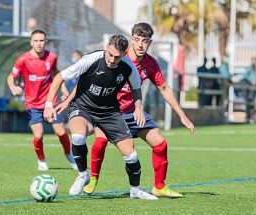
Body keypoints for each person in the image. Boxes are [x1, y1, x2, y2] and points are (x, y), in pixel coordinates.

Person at [81, 22, 195, 197]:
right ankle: (93, 178)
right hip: (110, 112)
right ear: (131, 40)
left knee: (160, 144)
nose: (141, 44)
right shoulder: (119, 57)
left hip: (134, 111)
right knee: (101, 141)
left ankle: (159, 186)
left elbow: (164, 88)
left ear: (150, 42)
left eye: (145, 41)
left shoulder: (151, 63)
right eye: (137, 40)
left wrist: (182, 115)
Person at [44, 34, 158, 200]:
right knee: (77, 136)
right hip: (83, 108)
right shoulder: (91, 60)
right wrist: (49, 105)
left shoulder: (128, 67)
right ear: (106, 47)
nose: (112, 59)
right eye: (109, 54)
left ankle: (135, 190)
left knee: (131, 155)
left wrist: (138, 107)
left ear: (124, 54)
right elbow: (59, 77)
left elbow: (136, 89)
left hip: (110, 112)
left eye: (117, 57)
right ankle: (83, 175)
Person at [7, 29, 77, 171]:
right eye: (36, 41)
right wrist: (13, 87)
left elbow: (56, 75)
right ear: (31, 42)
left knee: (61, 132)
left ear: (45, 42)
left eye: (41, 40)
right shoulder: (23, 59)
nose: (39, 43)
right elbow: (11, 77)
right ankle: (42, 160)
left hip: (50, 103)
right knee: (38, 136)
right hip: (32, 104)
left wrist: (63, 90)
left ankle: (69, 155)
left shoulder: (51, 57)